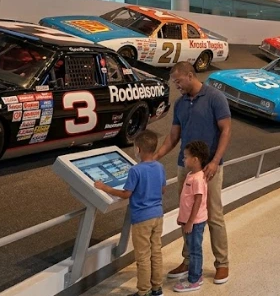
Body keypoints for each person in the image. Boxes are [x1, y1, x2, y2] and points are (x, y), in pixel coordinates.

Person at [156, 62, 231, 284]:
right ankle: (188, 260)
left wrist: (215, 161)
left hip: (210, 168)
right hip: (185, 167)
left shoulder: (215, 97)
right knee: (187, 214)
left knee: (214, 215)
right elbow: (173, 136)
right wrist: (155, 156)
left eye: (178, 81)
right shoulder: (180, 103)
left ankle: (222, 263)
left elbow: (226, 129)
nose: (176, 85)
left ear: (190, 76)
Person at [95, 131, 166, 296]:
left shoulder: (136, 170)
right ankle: (157, 288)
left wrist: (105, 188)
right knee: (156, 252)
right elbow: (162, 189)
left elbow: (126, 194)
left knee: (142, 256)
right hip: (158, 215)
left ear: (138, 149)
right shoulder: (160, 167)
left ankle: (144, 291)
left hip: (142, 218)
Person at [173, 142, 210, 293]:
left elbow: (198, 202)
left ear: (195, 159)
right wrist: (182, 217)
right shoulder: (190, 175)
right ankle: (195, 274)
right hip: (189, 221)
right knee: (192, 248)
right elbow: (186, 200)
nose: (183, 159)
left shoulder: (198, 179)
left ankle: (194, 280)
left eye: (186, 157)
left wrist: (189, 222)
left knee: (195, 250)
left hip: (195, 222)